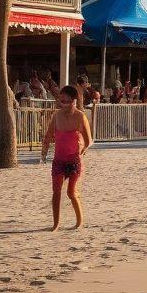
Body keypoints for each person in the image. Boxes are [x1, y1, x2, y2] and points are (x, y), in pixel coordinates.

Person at [40, 85, 93, 231]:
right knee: (56, 190)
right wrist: (44, 152)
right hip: (59, 160)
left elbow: (89, 140)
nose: (63, 104)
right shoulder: (56, 116)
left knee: (71, 192)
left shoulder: (80, 116)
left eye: (67, 101)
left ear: (74, 101)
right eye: (61, 101)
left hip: (74, 161)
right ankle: (55, 224)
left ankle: (79, 221)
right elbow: (48, 135)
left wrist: (82, 150)